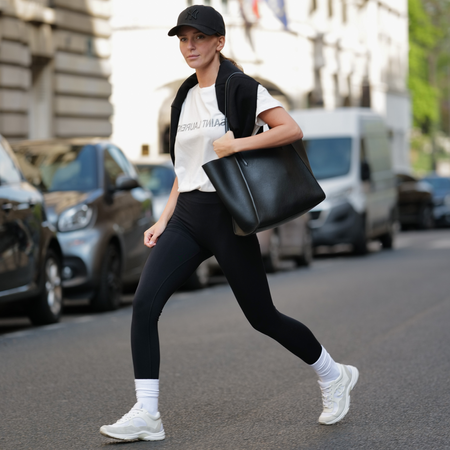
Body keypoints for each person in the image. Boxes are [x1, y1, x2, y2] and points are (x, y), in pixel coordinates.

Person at [100, 5, 359, 442]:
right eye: (183, 39)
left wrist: (237, 143)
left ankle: (333, 374)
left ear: (219, 42)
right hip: (186, 216)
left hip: (227, 216)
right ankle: (147, 413)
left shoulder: (239, 87)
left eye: (199, 38)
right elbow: (186, 168)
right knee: (144, 306)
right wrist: (163, 219)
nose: (190, 47)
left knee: (262, 316)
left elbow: (290, 129)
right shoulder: (182, 96)